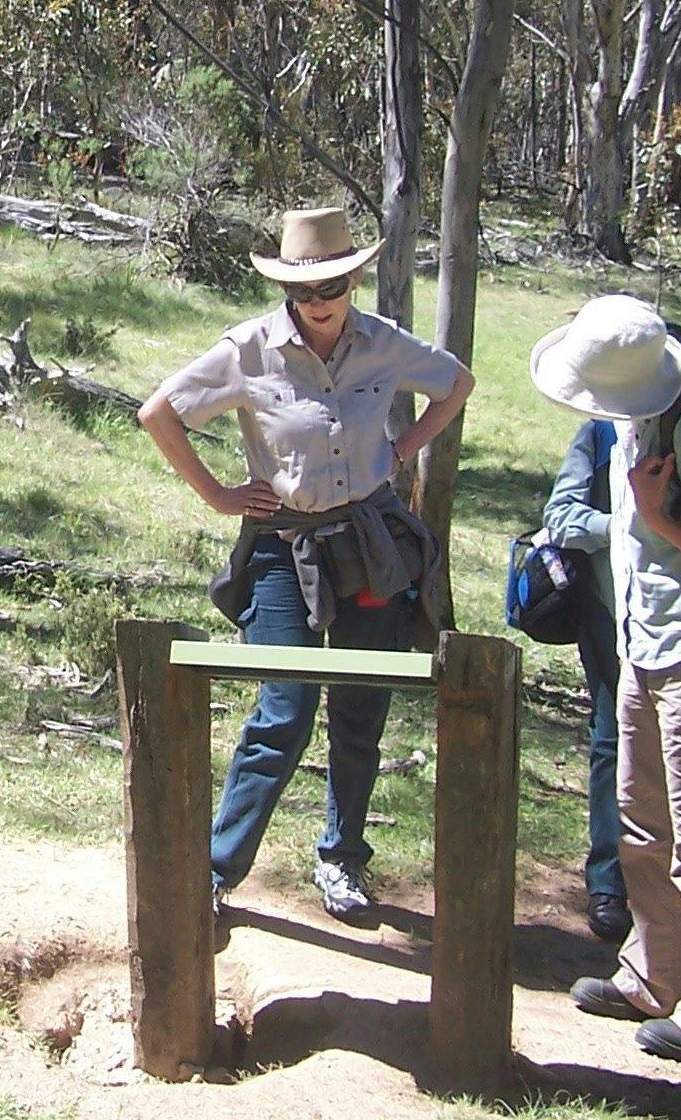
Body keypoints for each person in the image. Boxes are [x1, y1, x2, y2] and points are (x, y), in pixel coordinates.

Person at [138, 207, 475, 920]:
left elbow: (457, 383)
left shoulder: (382, 342)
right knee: (284, 709)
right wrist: (222, 494)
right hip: (282, 546)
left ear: (353, 279)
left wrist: (403, 448)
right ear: (288, 290)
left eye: (333, 286)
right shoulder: (249, 349)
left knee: (361, 706)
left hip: (368, 542)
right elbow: (158, 413)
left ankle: (342, 859)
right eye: (304, 291)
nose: (319, 303)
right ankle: (216, 870)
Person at [528, 294, 681, 1065]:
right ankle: (655, 972)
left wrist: (657, 515)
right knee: (643, 825)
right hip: (646, 646)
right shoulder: (640, 416)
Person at [537, 416, 631, 944]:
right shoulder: (601, 433)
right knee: (612, 742)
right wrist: (624, 528)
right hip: (609, 612)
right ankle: (610, 885)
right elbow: (562, 516)